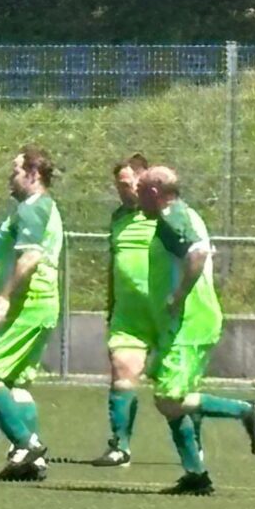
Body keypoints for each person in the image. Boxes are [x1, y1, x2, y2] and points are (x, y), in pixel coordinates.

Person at [137, 165, 255, 495]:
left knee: (169, 398)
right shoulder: (183, 214)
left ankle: (246, 410)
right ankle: (195, 475)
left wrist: (178, 296)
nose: (136, 197)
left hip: (189, 322)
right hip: (181, 323)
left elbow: (197, 253)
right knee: (174, 399)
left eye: (141, 191)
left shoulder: (171, 218)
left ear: (155, 193)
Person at [0, 146, 63, 480]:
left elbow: (30, 257)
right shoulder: (31, 210)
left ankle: (26, 444)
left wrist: (3, 296)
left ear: (33, 175)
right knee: (16, 383)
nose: (10, 177)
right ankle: (32, 463)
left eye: (15, 171)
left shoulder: (34, 209)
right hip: (39, 305)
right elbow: (10, 256)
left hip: (27, 304)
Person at [91, 153, 159, 467]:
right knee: (121, 371)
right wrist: (110, 304)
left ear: (144, 181)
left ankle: (194, 447)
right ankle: (120, 446)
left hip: (164, 310)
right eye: (118, 186)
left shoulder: (164, 216)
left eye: (127, 185)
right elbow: (114, 265)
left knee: (176, 390)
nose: (123, 191)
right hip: (127, 314)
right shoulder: (118, 217)